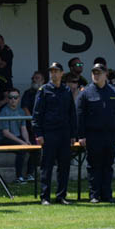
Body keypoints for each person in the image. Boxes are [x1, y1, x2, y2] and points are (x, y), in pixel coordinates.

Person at [77, 63, 115, 204]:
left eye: (99, 73)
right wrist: (81, 135)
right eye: (94, 73)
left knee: (108, 166)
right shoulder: (85, 92)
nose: (95, 75)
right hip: (93, 135)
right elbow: (80, 116)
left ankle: (107, 195)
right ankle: (94, 195)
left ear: (106, 74)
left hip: (110, 135)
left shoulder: (114, 92)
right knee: (93, 166)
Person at [32, 62, 77, 205]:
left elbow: (72, 114)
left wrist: (72, 134)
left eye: (56, 71)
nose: (54, 74)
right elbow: (37, 114)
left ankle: (61, 196)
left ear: (62, 73)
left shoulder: (67, 90)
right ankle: (45, 197)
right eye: (52, 71)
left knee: (64, 166)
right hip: (49, 133)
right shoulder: (43, 90)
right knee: (47, 166)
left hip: (64, 133)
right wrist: (38, 134)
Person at [0, 88, 31, 183]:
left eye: (15, 97)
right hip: (3, 139)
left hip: (16, 137)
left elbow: (23, 129)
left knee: (35, 149)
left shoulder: (21, 112)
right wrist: (22, 143)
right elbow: (5, 133)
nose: (13, 100)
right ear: (8, 99)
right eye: (11, 97)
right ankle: (19, 177)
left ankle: (30, 174)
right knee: (21, 149)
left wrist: (27, 141)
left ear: (19, 99)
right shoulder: (4, 112)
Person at [20, 70, 44, 180]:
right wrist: (32, 120)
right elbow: (24, 107)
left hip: (45, 125)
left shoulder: (46, 92)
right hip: (31, 127)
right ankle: (29, 173)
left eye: (37, 78)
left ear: (43, 81)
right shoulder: (28, 93)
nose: (34, 80)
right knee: (34, 148)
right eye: (33, 78)